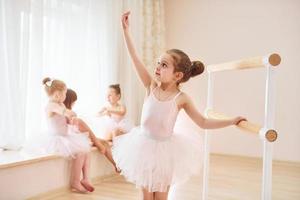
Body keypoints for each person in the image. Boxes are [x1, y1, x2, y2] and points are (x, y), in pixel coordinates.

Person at [112, 11, 246, 200]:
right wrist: (126, 31)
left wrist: (231, 121)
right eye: (158, 63)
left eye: (164, 65)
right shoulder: (150, 86)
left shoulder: (181, 98)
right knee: (146, 197)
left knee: (160, 197)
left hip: (165, 153)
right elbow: (135, 57)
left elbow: (203, 122)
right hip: (143, 148)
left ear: (178, 76)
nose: (157, 67)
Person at [42, 77, 94, 193]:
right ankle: (75, 181)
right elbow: (63, 113)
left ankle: (86, 178)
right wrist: (70, 113)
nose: (65, 96)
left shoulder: (61, 104)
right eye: (65, 93)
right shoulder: (51, 106)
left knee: (86, 150)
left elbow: (66, 119)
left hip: (66, 135)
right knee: (80, 152)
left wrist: (72, 120)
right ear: (57, 94)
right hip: (57, 138)